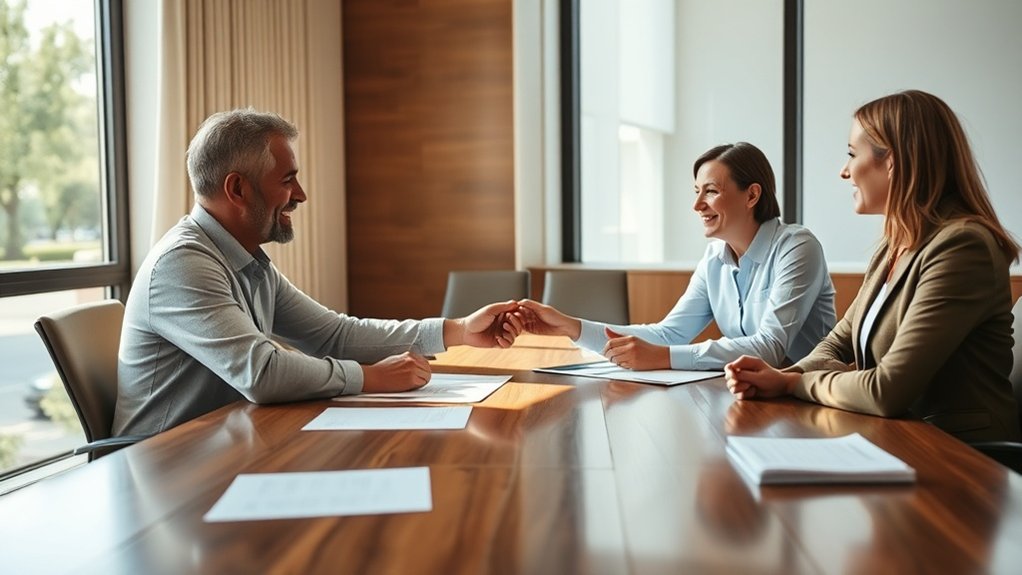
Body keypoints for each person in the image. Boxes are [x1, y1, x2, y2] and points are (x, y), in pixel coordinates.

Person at [114, 109, 520, 436]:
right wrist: (371, 378)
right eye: (287, 180)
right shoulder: (183, 263)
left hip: (222, 446)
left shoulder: (246, 260)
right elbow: (261, 372)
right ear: (237, 189)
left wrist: (459, 331)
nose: (301, 195)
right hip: (163, 467)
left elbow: (333, 335)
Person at [724, 90, 1021, 442]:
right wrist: (783, 376)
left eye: (852, 154)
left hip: (959, 453)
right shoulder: (895, 245)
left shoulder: (962, 247)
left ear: (892, 161)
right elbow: (839, 343)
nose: (844, 171)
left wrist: (792, 383)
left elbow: (887, 389)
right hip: (904, 438)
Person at [516, 142, 836, 371]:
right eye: (696, 192)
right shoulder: (714, 258)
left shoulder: (797, 247)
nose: (697, 205)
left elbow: (770, 347)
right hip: (755, 393)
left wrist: (664, 357)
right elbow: (669, 333)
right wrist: (571, 327)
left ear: (751, 195)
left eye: (711, 191)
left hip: (809, 396)